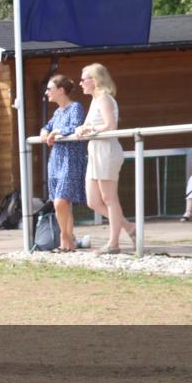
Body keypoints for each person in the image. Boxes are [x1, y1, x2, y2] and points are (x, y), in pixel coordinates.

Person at [75, 63, 135, 254]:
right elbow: (86, 125)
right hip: (94, 151)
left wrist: (90, 130)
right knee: (93, 201)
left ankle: (113, 243)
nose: (81, 83)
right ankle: (129, 227)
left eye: (84, 79)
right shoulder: (94, 101)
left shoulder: (104, 99)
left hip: (107, 151)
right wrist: (81, 129)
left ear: (95, 80)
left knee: (109, 198)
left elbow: (111, 125)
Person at [39, 75, 88, 251]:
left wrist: (57, 132)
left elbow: (75, 126)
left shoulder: (75, 107)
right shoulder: (57, 112)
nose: (47, 93)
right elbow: (47, 126)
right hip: (56, 160)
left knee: (60, 201)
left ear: (61, 90)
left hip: (71, 159)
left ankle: (65, 236)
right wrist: (46, 132)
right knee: (62, 203)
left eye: (49, 89)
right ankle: (67, 244)